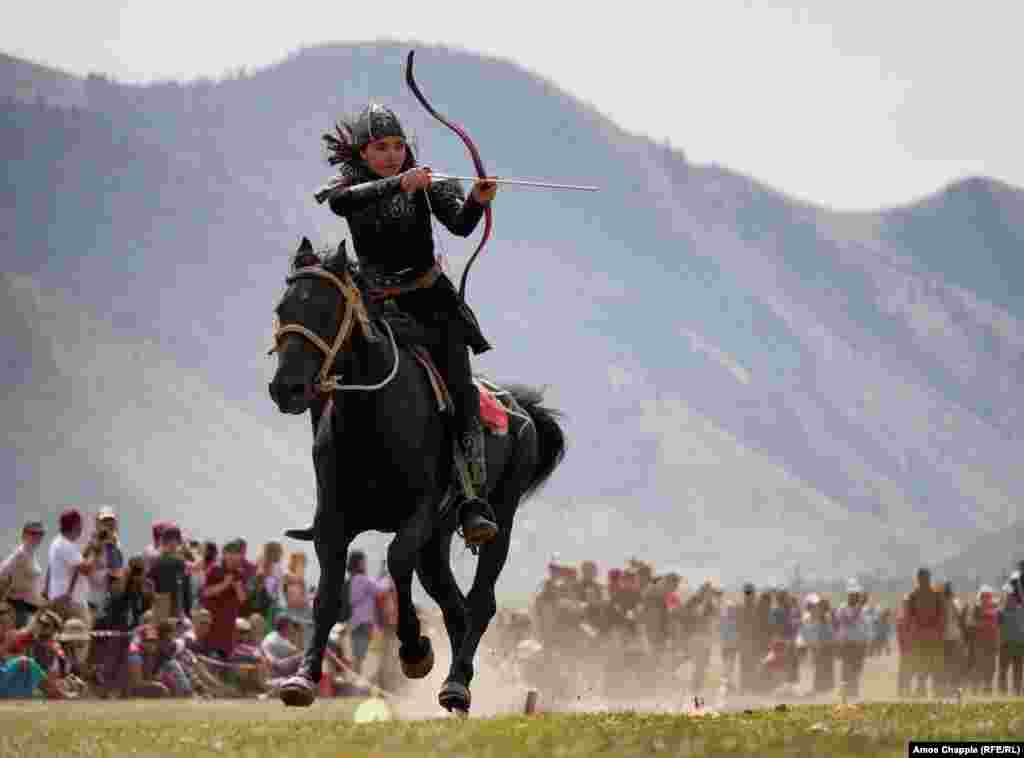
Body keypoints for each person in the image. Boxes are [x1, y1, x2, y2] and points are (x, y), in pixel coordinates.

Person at [312, 103, 500, 547]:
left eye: (398, 146)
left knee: (461, 392)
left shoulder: (429, 181)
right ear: (363, 152)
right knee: (324, 375)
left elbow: (459, 226)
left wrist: (476, 200)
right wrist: (399, 183)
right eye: (381, 147)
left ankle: (472, 498)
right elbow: (341, 201)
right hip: (374, 306)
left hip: (431, 305)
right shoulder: (350, 187)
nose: (393, 153)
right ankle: (332, 493)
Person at [46, 509, 95, 624]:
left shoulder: (57, 542)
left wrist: (89, 548)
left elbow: (76, 563)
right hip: (71, 602)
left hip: (61, 598)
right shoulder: (65, 545)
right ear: (76, 526)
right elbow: (87, 569)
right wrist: (96, 552)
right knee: (81, 635)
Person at [201, 540, 248, 658]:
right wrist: (224, 584)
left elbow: (243, 599)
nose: (234, 557)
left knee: (226, 657)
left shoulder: (240, 573)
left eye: (237, 553)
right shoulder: (215, 569)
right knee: (210, 656)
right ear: (225, 554)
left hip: (229, 626)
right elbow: (206, 593)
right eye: (231, 553)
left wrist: (238, 588)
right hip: (213, 623)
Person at [345, 550, 389, 674]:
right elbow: (380, 589)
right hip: (364, 622)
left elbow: (372, 585)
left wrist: (380, 576)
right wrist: (387, 577)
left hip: (354, 621)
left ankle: (355, 678)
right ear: (359, 563)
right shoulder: (363, 580)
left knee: (357, 653)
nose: (366, 563)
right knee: (361, 655)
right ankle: (357, 680)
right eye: (364, 561)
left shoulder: (353, 579)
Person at [0, 520, 48, 627]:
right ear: (24, 534)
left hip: (30, 606)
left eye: (40, 534)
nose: (37, 537)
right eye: (33, 533)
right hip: (19, 606)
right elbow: (2, 572)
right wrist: (12, 590)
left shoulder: (30, 553)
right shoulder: (20, 554)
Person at [82, 507, 125, 616]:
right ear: (98, 523)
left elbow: (117, 570)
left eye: (111, 521)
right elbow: (82, 565)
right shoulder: (90, 540)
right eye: (104, 521)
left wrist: (111, 545)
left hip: (107, 598)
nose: (108, 524)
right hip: (89, 596)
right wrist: (96, 546)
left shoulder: (116, 544)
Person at [147, 525, 191, 622]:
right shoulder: (179, 562)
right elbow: (186, 591)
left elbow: (148, 585)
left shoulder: (155, 561)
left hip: (160, 610)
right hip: (175, 611)